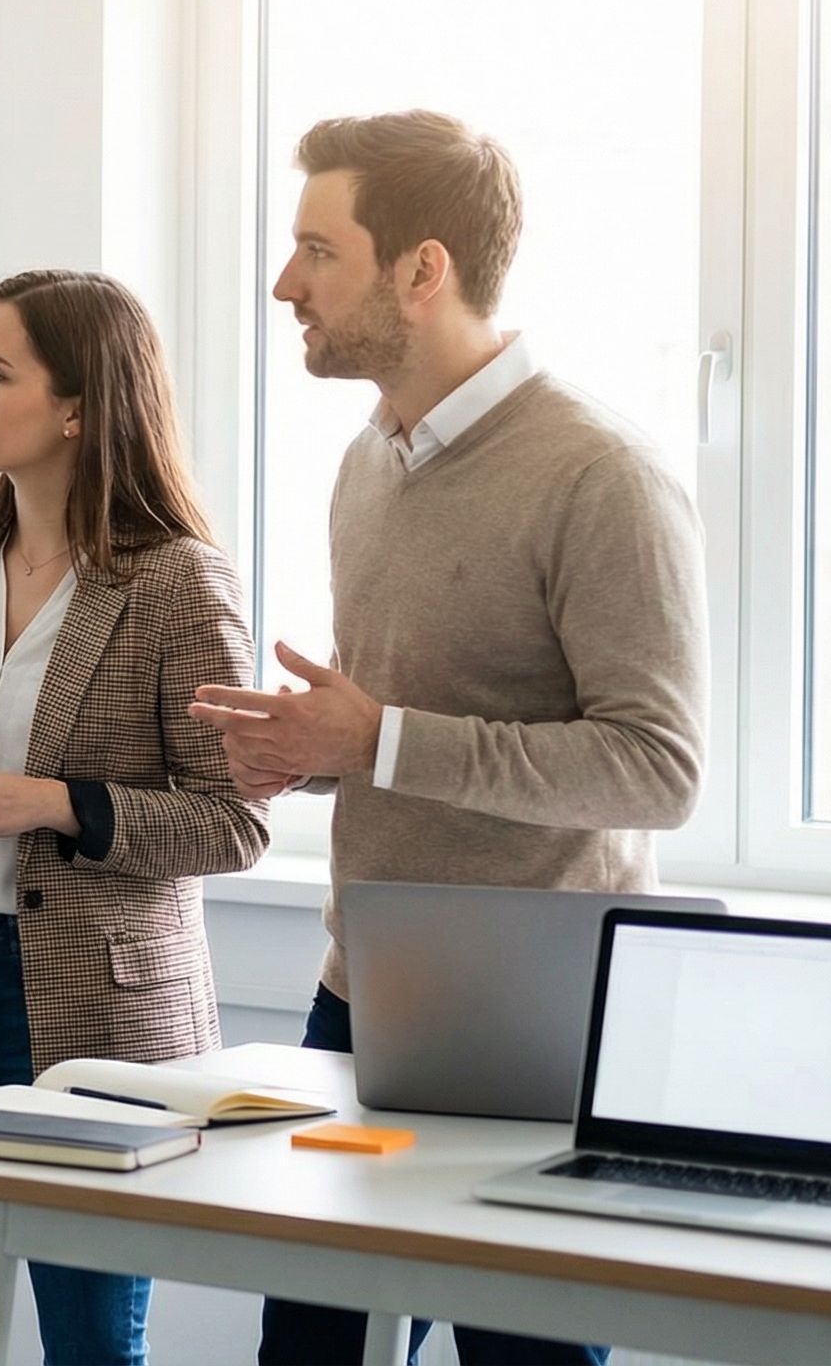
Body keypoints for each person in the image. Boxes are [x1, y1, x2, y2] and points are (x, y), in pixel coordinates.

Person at [189, 111, 706, 1366]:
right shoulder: (366, 461)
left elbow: (658, 768)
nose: (283, 283)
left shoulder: (601, 476)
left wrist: (378, 743)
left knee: (522, 1358)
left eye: (319, 249)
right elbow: (404, 733)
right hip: (361, 989)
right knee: (306, 1353)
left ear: (423, 270)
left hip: (533, 1024)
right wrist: (311, 755)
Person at [0, 269, 268, 1366]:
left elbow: (235, 821)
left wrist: (55, 805)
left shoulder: (178, 581)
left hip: (93, 1019)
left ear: (81, 406)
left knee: (89, 1343)